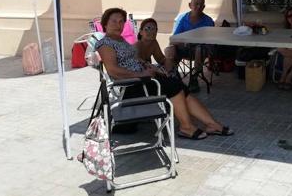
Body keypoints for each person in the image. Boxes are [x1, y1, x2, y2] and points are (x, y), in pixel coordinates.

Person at [96, 8, 233, 140]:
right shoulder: (105, 43)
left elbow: (134, 59)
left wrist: (149, 66)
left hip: (144, 79)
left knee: (181, 87)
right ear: (105, 23)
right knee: (174, 87)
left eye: (121, 22)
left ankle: (212, 124)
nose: (118, 25)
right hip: (133, 86)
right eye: (114, 21)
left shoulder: (120, 40)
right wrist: (142, 74)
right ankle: (186, 127)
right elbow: (113, 70)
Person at [168, 0, 215, 92]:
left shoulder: (208, 21)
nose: (198, 7)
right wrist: (184, 43)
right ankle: (173, 75)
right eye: (196, 4)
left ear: (204, 7)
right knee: (169, 49)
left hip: (200, 50)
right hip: (184, 48)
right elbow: (174, 39)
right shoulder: (182, 18)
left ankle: (194, 77)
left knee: (199, 48)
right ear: (190, 5)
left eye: (201, 5)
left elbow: (210, 42)